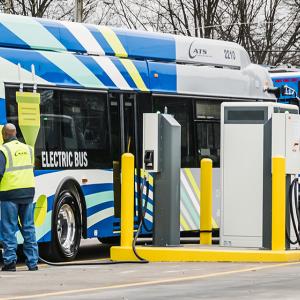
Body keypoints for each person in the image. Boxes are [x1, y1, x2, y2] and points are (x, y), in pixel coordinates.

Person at [0, 123, 38, 271]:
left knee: (9, 228)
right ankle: (33, 263)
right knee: (28, 227)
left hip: (9, 194)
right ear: (15, 133)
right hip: (28, 193)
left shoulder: (3, 150)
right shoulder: (28, 149)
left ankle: (10, 262)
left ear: (4, 135)